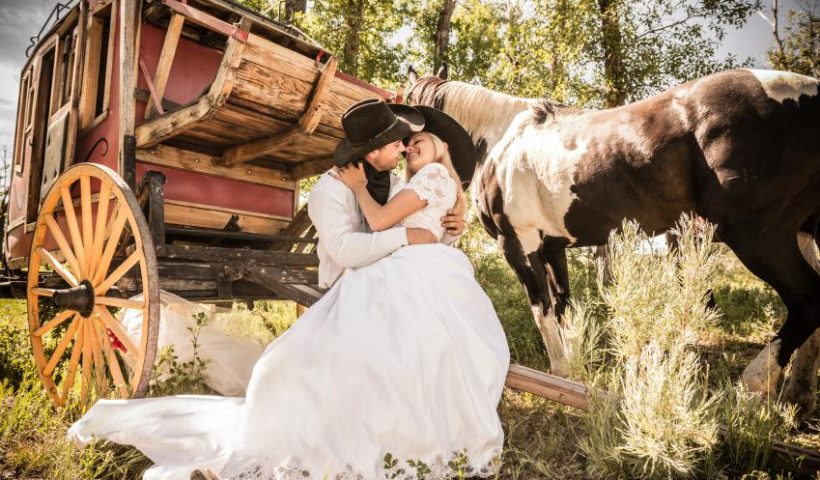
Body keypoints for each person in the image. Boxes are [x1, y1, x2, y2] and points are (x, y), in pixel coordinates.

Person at [68, 100, 510, 480]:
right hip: (352, 283)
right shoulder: (331, 192)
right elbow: (351, 249)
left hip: (390, 284)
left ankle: (409, 429)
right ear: (373, 150)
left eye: (408, 144)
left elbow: (421, 224)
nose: (404, 148)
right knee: (289, 371)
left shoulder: (397, 182)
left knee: (410, 354)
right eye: (397, 143)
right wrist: (407, 239)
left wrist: (452, 227)